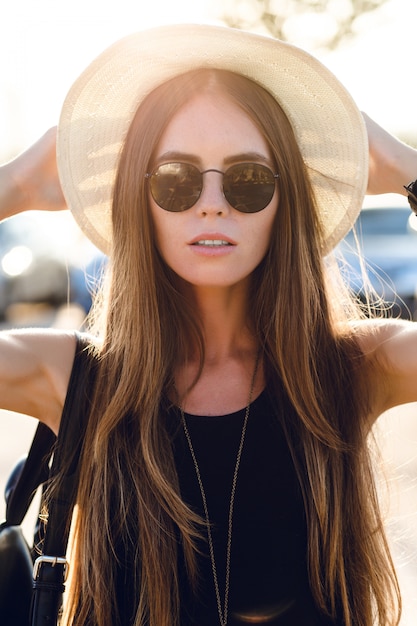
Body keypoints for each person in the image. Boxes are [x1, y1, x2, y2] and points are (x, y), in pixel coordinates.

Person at [1, 23, 417, 626]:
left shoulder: (356, 366)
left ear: (287, 198)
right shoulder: (73, 377)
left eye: (249, 179)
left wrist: (408, 168)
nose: (212, 202)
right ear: (138, 197)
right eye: (176, 179)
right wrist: (13, 185)